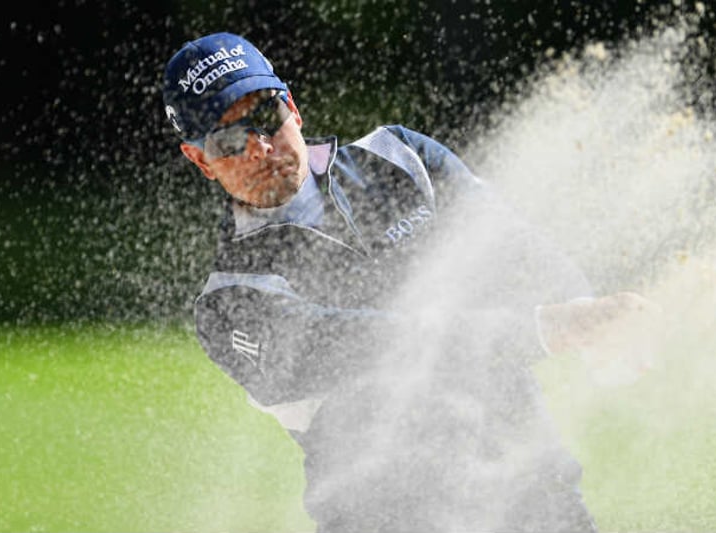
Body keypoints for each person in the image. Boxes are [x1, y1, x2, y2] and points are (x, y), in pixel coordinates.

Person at [162, 32, 657, 533]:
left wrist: (591, 313)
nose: (260, 147)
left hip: (536, 497)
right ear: (200, 160)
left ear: (291, 106)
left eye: (266, 115)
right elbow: (373, 344)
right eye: (228, 141)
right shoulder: (229, 300)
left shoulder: (400, 156)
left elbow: (513, 246)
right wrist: (545, 329)